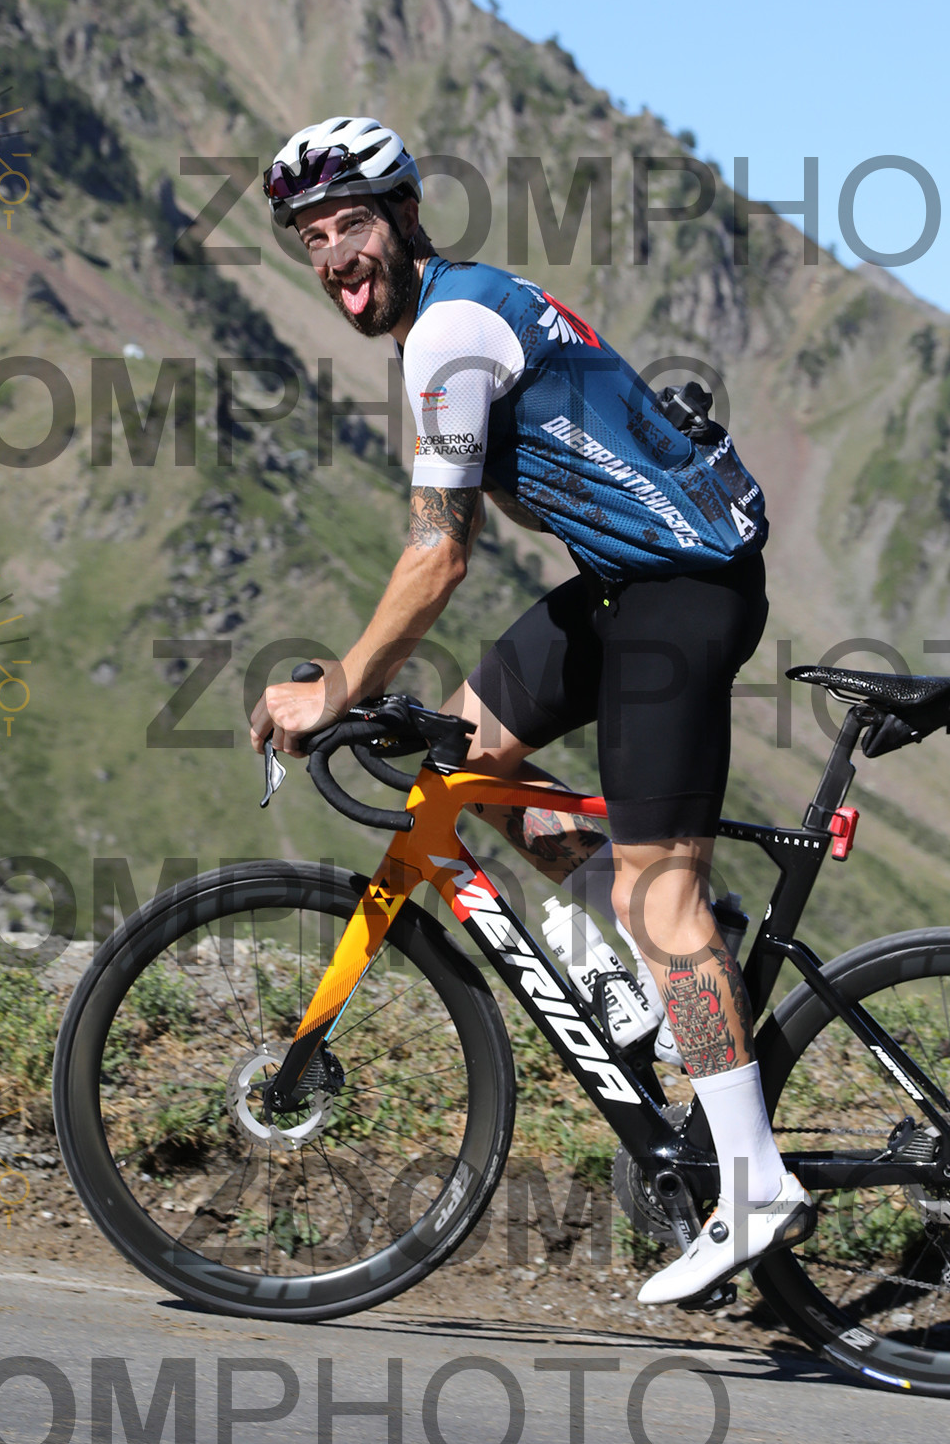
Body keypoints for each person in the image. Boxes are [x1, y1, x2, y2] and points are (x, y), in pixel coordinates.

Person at [247, 116, 813, 1304]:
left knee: (657, 895)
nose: (335, 255)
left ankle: (751, 1175)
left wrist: (337, 686)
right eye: (312, 239)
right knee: (464, 757)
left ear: (405, 218)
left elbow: (437, 556)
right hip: (624, 584)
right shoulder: (463, 309)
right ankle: (662, 962)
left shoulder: (447, 332)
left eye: (350, 225)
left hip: (678, 602)